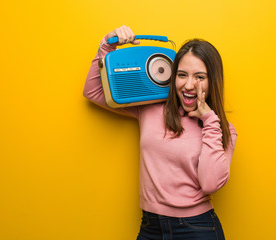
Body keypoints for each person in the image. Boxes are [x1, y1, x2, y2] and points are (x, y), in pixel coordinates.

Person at [83, 25, 237, 240]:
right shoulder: (152, 108)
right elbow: (93, 91)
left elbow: (210, 183)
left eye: (200, 77)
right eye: (182, 75)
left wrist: (209, 120)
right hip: (150, 227)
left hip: (198, 229)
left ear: (213, 80)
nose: (189, 85)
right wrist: (107, 47)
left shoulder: (222, 130)